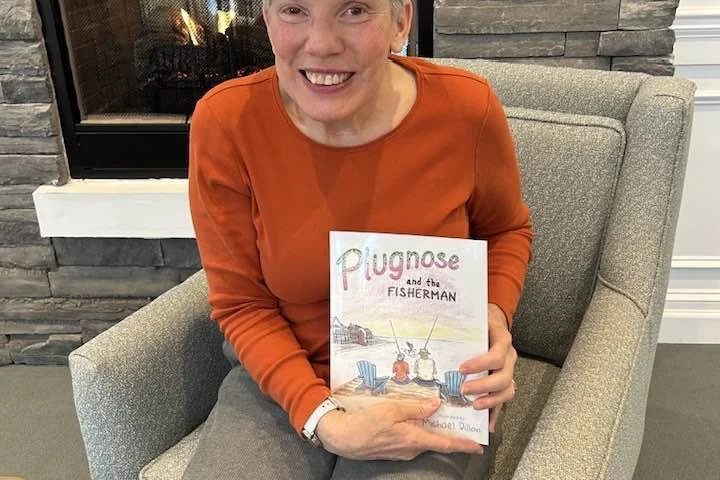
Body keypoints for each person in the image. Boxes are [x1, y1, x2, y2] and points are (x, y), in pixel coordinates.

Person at [184, 0, 532, 478]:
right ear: (265, 20)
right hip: (282, 371)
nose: (322, 44)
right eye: (294, 10)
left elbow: (506, 230)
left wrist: (491, 314)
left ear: (401, 21)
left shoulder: (466, 109)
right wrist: (321, 418)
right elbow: (242, 303)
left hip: (428, 388)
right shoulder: (226, 123)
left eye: (354, 10)